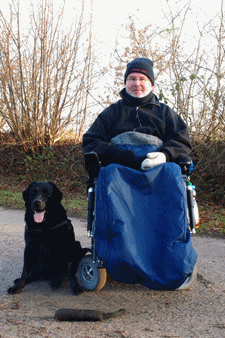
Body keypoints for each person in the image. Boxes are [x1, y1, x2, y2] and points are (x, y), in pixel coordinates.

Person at [82, 58, 192, 171]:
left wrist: (165, 155)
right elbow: (91, 141)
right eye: (132, 79)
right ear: (126, 83)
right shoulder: (111, 112)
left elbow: (181, 141)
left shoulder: (165, 113)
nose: (137, 83)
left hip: (159, 171)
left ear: (152, 85)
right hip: (118, 171)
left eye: (142, 79)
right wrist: (118, 155)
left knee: (172, 172)